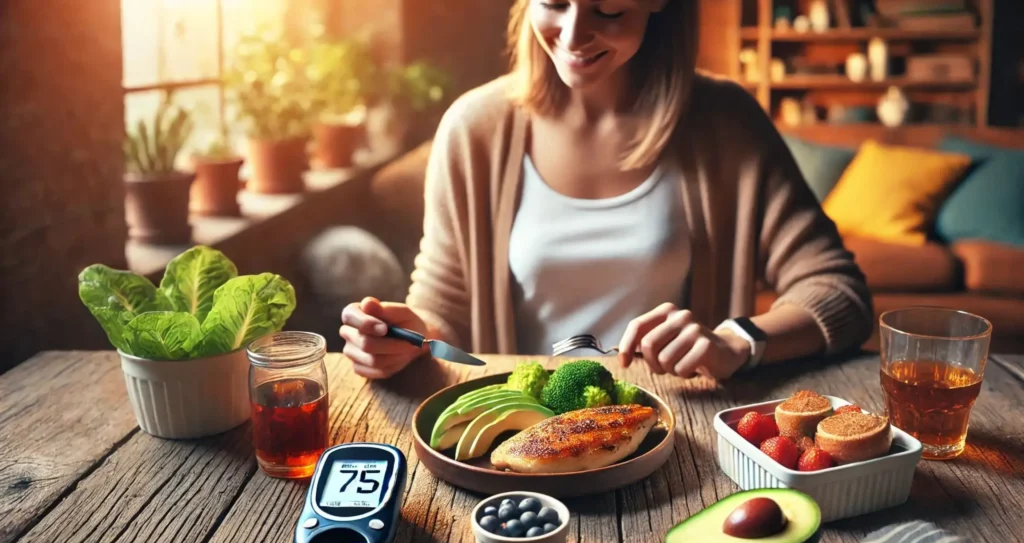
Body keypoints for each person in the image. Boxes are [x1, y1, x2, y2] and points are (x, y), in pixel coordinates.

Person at [340, 0, 872, 381]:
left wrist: (736, 342)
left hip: (678, 435)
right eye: (554, 3)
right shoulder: (473, 127)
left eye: (609, 13)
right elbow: (444, 309)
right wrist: (404, 340)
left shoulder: (725, 121)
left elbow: (839, 293)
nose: (573, 35)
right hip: (520, 436)